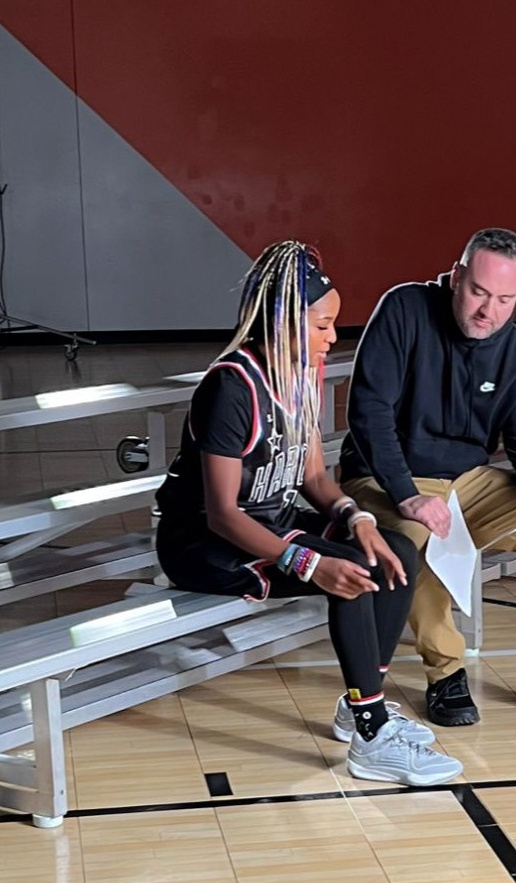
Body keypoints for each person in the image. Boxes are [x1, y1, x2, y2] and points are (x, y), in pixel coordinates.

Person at [155, 239, 463, 786]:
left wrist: (356, 517)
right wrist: (307, 563)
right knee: (347, 573)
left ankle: (361, 705)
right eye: (322, 324)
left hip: (266, 521)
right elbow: (223, 514)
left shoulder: (302, 372)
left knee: (396, 553)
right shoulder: (231, 387)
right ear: (282, 321)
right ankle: (370, 735)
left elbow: (315, 476)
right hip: (203, 544)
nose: (333, 336)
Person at [339, 227, 516, 730]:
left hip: (467, 480)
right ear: (456, 277)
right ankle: (445, 674)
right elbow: (369, 412)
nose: (489, 310)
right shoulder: (404, 309)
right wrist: (405, 495)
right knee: (416, 534)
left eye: (506, 299)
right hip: (383, 476)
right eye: (479, 292)